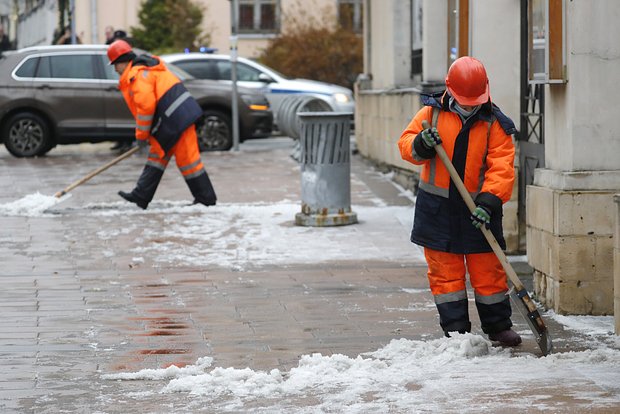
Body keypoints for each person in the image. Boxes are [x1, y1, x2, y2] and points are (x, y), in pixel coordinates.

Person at [397, 56, 521, 346]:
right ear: (450, 90)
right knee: (445, 275)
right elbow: (405, 145)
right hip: (437, 210)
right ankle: (456, 332)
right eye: (464, 100)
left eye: (473, 100)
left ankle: (498, 326)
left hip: (479, 211)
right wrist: (421, 144)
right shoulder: (432, 114)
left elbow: (502, 168)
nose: (469, 105)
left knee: (488, 272)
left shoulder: (495, 123)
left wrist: (489, 203)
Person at [107, 39, 217, 209]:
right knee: (158, 155)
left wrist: (141, 136)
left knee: (189, 161)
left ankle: (206, 199)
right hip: (173, 119)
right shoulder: (145, 69)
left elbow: (146, 106)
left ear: (123, 61)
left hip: (179, 120)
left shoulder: (137, 74)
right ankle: (141, 195)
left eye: (115, 64)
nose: (115, 69)